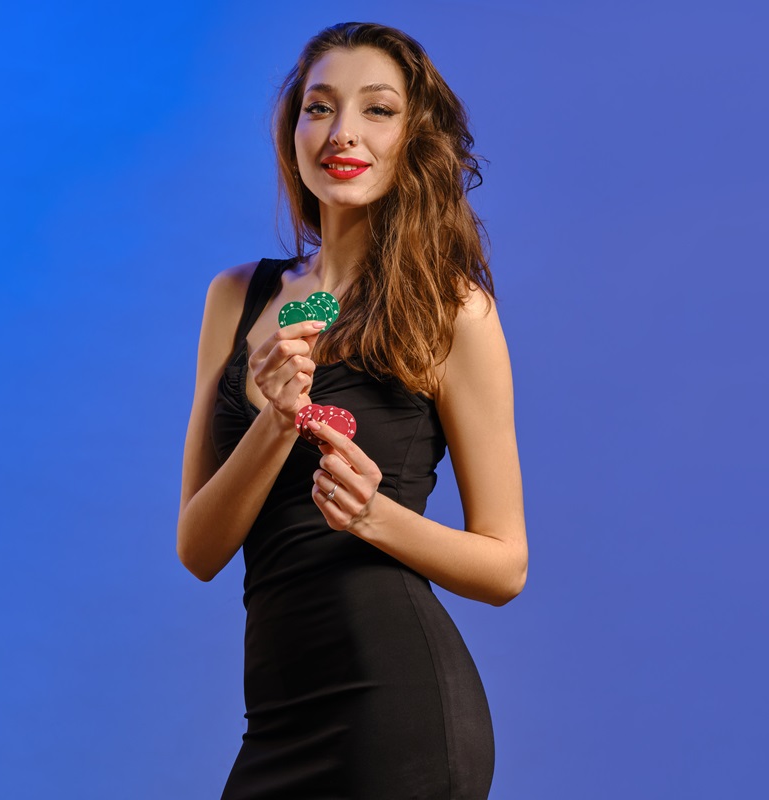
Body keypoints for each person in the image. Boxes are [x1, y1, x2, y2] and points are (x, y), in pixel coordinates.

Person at [177, 21, 528, 799]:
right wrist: (275, 421)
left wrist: (375, 517)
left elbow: (507, 565)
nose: (342, 133)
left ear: (414, 138)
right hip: (274, 716)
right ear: (292, 129)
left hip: (395, 708)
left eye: (377, 110)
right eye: (319, 107)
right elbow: (199, 549)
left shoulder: (451, 311)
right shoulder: (237, 298)